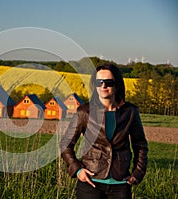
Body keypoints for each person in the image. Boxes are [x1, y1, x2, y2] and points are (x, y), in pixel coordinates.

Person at [60, 63, 148, 199]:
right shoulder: (84, 112)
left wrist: (137, 174)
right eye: (99, 82)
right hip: (90, 183)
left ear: (117, 84)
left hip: (120, 184)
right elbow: (66, 144)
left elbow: (140, 145)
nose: (103, 86)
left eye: (108, 82)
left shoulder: (130, 112)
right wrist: (77, 170)